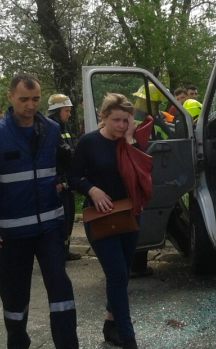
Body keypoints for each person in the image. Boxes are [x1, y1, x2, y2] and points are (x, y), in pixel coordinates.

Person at [0, 73, 79, 349]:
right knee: (14, 299)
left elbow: (69, 164)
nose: (30, 105)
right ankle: (17, 343)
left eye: (36, 99)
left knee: (62, 292)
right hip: (10, 234)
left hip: (50, 229)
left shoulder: (51, 130)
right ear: (10, 97)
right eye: (24, 99)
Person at [69, 93, 154, 349]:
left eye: (126, 120)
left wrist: (130, 142)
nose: (121, 125)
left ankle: (109, 324)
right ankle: (128, 338)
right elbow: (72, 176)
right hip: (101, 217)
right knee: (116, 273)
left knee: (122, 274)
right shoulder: (89, 142)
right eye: (116, 120)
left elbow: (143, 173)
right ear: (103, 117)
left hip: (129, 212)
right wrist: (91, 190)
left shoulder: (129, 140)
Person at [46, 94, 82, 261]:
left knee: (68, 218)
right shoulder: (50, 128)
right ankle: (57, 252)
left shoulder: (62, 127)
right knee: (60, 220)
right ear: (57, 111)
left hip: (67, 181)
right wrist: (57, 180)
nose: (69, 114)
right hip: (59, 183)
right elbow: (50, 158)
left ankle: (64, 251)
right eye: (66, 110)